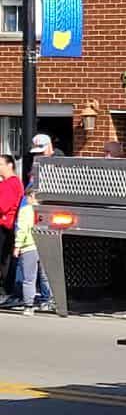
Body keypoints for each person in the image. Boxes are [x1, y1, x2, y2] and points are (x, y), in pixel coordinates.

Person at [24, 132, 56, 313]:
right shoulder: (36, 164)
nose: (39, 155)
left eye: (42, 151)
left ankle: (51, 297)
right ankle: (45, 297)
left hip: (48, 217)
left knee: (47, 262)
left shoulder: (57, 162)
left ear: (50, 147)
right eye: (37, 151)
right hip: (35, 215)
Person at [9, 188, 41, 314]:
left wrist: (17, 246)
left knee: (29, 278)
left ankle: (28, 305)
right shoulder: (46, 210)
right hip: (44, 246)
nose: (26, 199)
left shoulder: (25, 210)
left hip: (29, 246)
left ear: (32, 196)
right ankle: (47, 300)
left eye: (27, 196)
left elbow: (22, 229)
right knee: (45, 277)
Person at [0, 152, 22, 301]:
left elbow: (3, 206)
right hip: (5, 225)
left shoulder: (11, 183)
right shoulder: (6, 183)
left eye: (0, 164)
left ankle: (4, 291)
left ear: (10, 165)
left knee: (4, 260)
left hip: (5, 226)